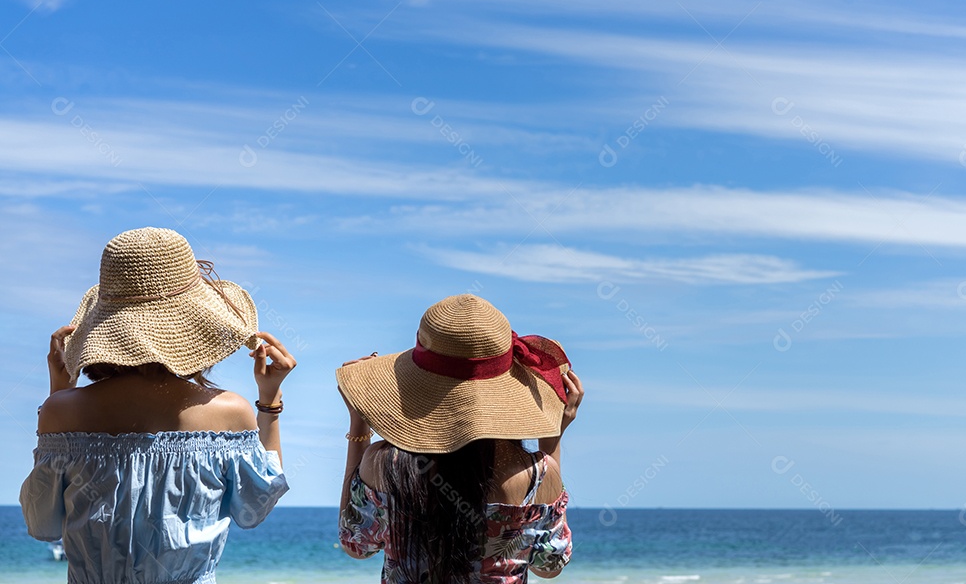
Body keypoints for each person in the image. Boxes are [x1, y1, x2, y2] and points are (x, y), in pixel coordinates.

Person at [20, 227, 297, 584]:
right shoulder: (229, 412)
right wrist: (270, 401)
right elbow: (254, 509)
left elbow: (42, 523)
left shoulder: (61, 412)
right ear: (197, 323)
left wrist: (59, 394)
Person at [337, 293, 584, 584]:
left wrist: (359, 422)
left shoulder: (385, 463)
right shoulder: (536, 474)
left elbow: (356, 543)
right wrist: (551, 438)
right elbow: (549, 566)